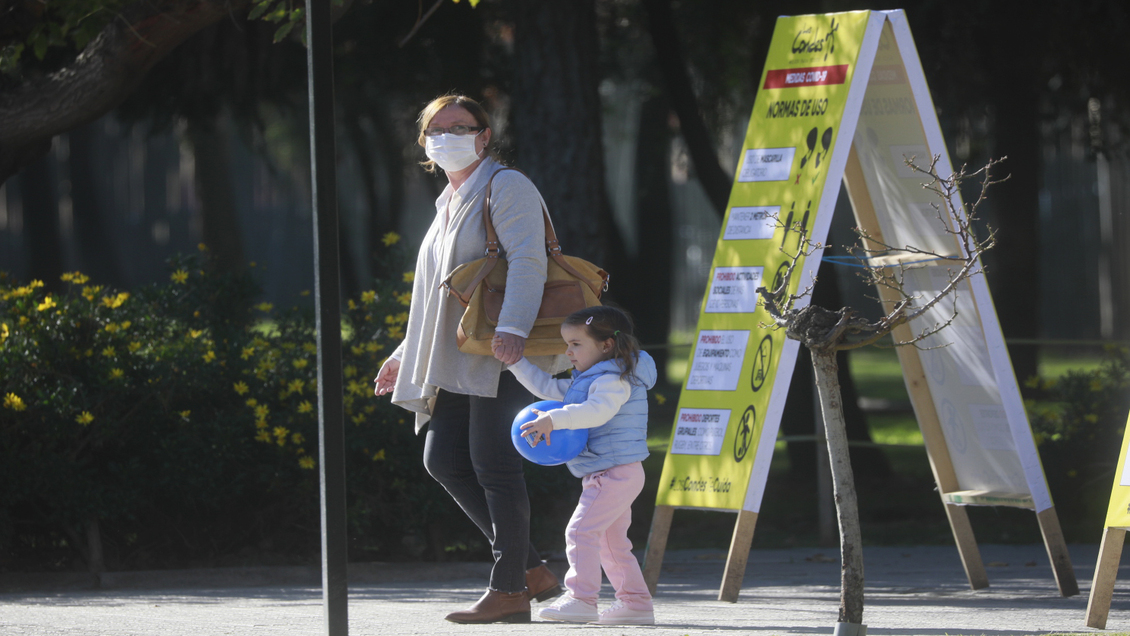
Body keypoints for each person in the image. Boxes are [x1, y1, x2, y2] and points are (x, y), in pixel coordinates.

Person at [373, 94, 569, 624]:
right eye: (437, 130)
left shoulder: (508, 186)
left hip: (503, 351)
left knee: (494, 467)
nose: (448, 136)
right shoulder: (448, 200)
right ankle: (532, 573)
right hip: (463, 354)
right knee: (444, 460)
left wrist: (512, 332)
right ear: (425, 145)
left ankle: (508, 590)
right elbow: (441, 296)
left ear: (484, 136)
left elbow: (529, 260)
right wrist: (403, 354)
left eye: (461, 127)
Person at [503, 306, 657, 626]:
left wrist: (553, 419)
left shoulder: (613, 379)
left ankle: (581, 599)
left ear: (606, 345)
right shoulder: (591, 379)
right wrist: (515, 362)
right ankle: (636, 603)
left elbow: (595, 412)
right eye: (567, 343)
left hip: (614, 472)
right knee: (610, 542)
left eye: (575, 344)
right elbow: (548, 390)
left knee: (580, 531)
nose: (567, 351)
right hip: (614, 471)